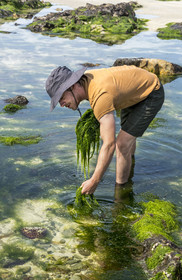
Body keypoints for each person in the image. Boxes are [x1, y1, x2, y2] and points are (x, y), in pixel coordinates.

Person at [45, 65, 164, 195]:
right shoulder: (86, 80)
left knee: (122, 144)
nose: (61, 104)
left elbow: (109, 144)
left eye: (61, 97)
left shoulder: (100, 95)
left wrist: (95, 180)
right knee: (127, 138)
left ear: (72, 86)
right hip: (133, 89)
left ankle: (121, 193)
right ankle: (129, 167)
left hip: (151, 91)